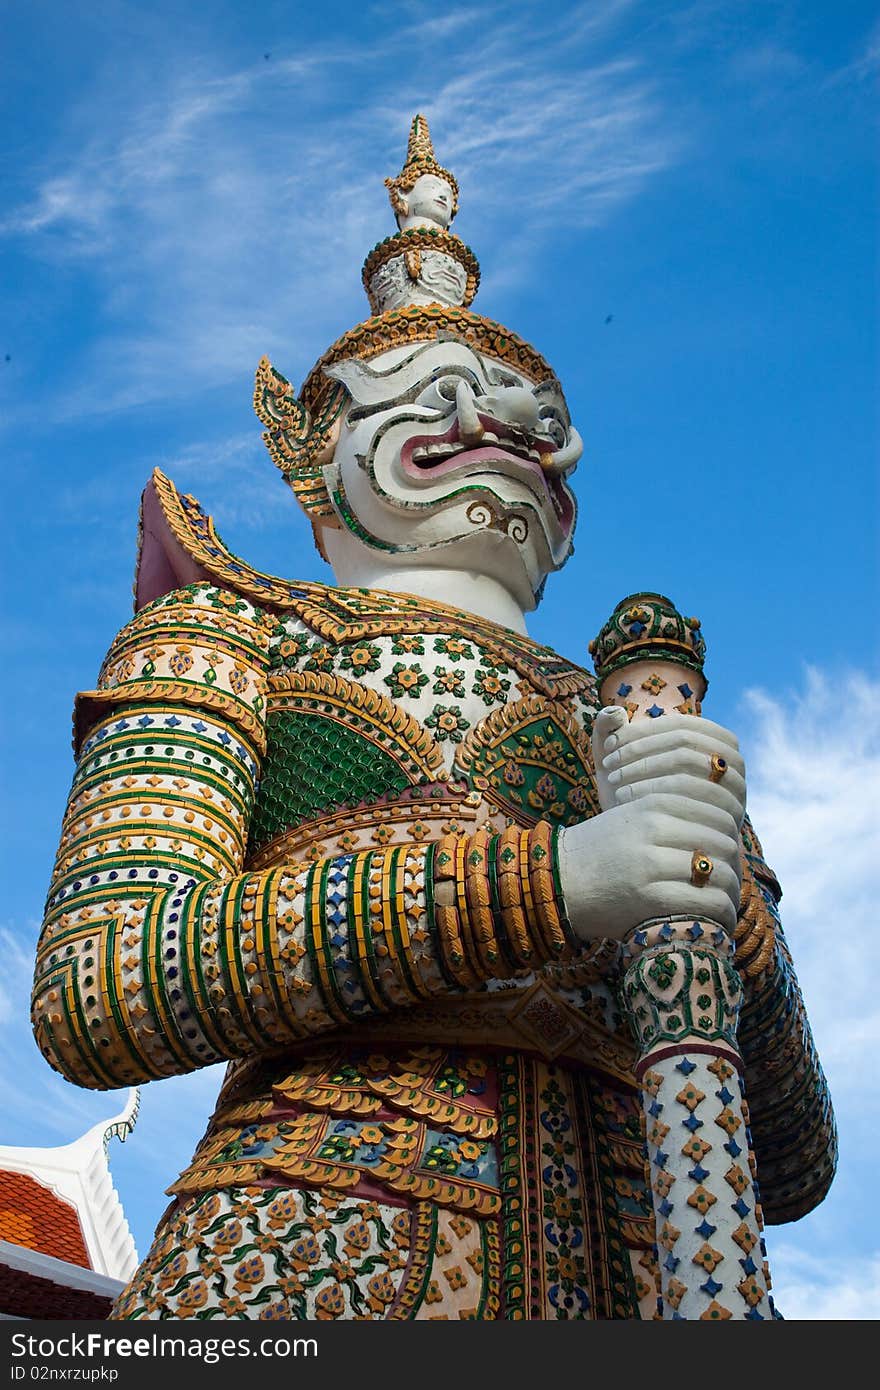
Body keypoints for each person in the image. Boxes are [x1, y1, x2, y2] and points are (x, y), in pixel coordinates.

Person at [32, 117, 834, 1321]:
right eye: (439, 399)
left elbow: (795, 1156)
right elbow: (104, 985)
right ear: (318, 453)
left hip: (663, 1253)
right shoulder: (233, 638)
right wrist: (548, 885)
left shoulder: (624, 714)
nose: (501, 430)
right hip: (317, 1239)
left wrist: (724, 902)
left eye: (532, 414)